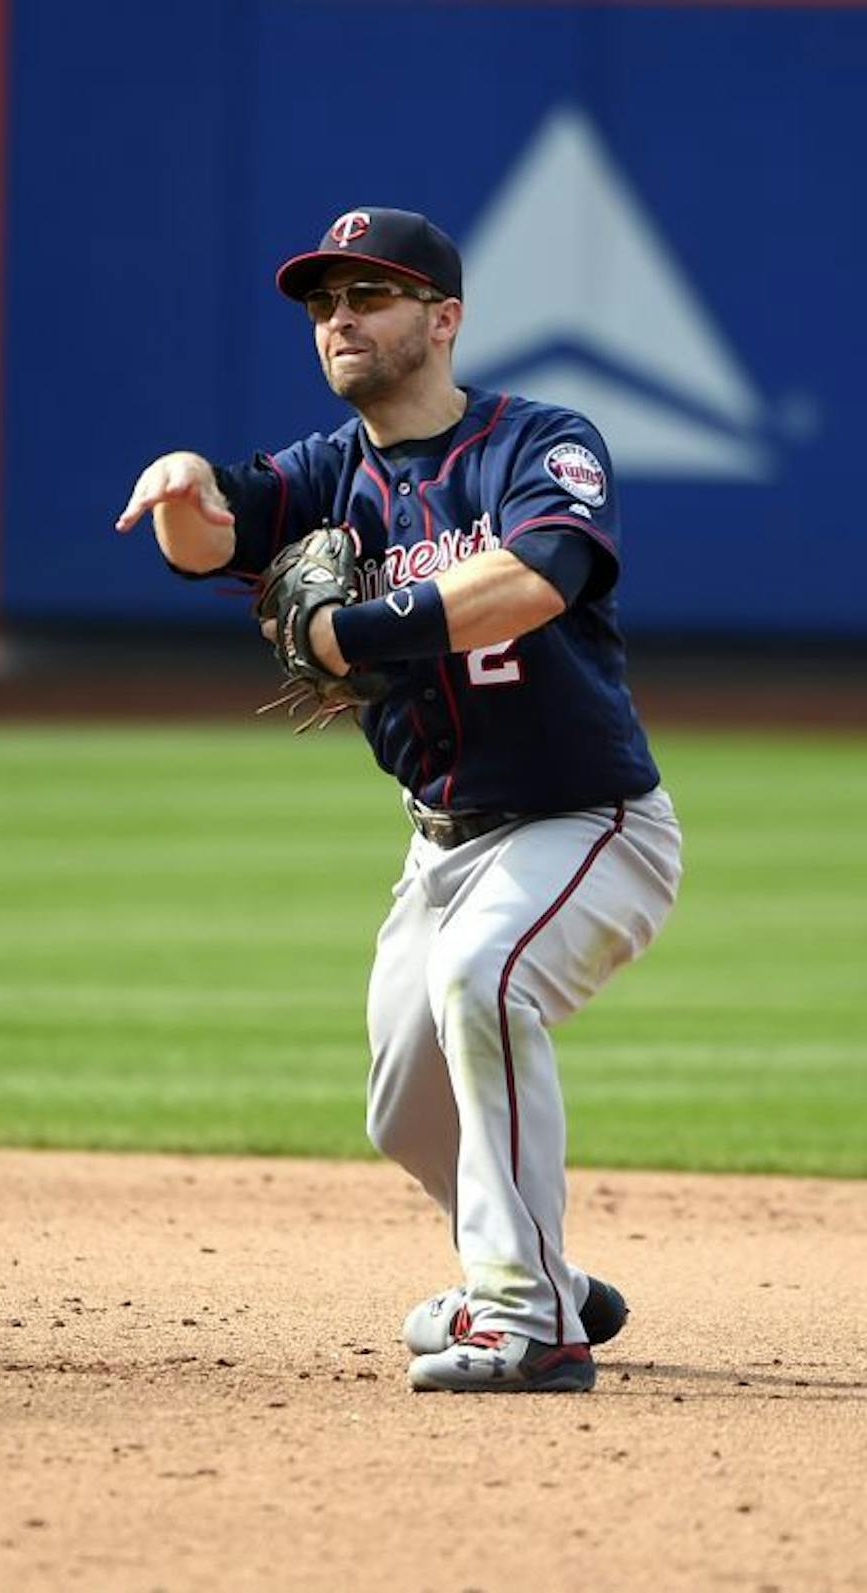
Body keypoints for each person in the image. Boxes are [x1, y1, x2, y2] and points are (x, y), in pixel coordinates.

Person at [114, 208, 682, 1393]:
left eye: (369, 296)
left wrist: (350, 629)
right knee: (404, 1108)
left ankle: (531, 1324)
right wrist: (180, 490)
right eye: (325, 304)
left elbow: (532, 580)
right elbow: (207, 534)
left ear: (444, 318)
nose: (341, 320)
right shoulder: (329, 473)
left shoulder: (540, 441)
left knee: (483, 980)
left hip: (588, 824)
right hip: (440, 841)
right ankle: (545, 1276)